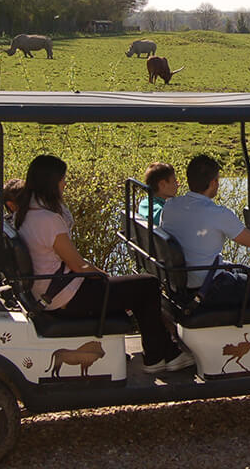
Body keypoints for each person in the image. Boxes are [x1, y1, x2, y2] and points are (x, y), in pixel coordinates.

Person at [15, 155, 193, 373]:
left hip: (53, 290)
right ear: (51, 183)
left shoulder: (24, 213)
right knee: (148, 285)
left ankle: (163, 351)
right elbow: (78, 265)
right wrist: (105, 277)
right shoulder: (47, 220)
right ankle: (159, 357)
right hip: (65, 296)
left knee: (134, 288)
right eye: (62, 180)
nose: (65, 184)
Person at [160, 154, 250, 356]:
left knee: (247, 273)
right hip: (210, 289)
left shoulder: (171, 206)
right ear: (213, 182)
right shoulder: (218, 213)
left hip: (185, 284)